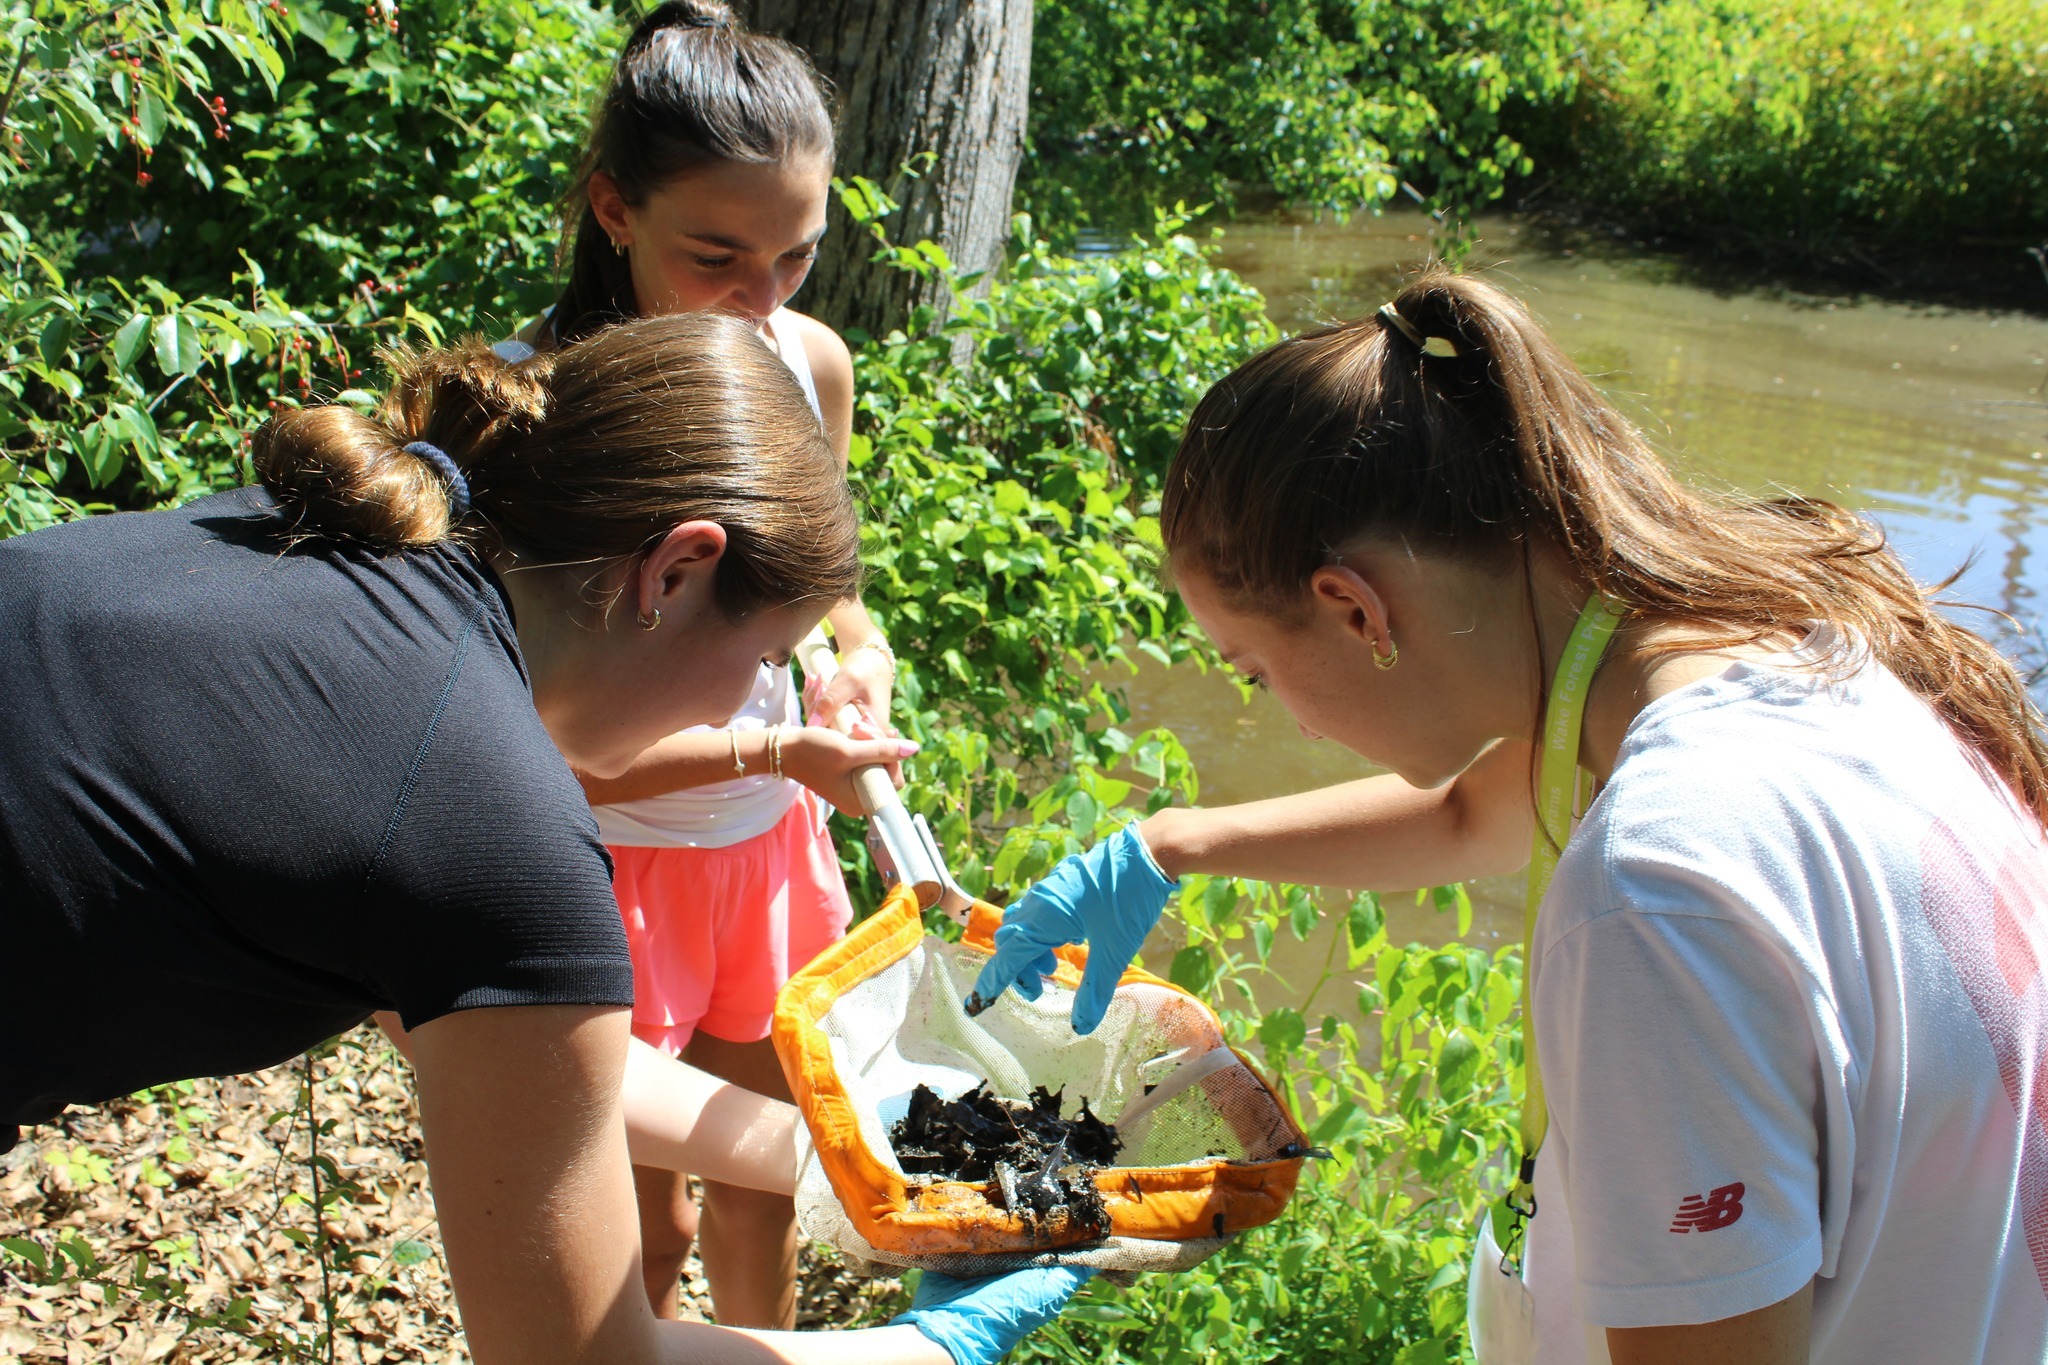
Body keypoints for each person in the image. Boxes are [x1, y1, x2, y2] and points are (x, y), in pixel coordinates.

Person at [969, 269, 2048, 1364]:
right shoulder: (1782, 651)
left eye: (1251, 673)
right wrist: (1168, 843)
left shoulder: (1651, 893)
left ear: (1352, 607)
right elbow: (1465, 812)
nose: (1273, 712)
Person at [0, 312, 1086, 1365]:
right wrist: (933, 1346)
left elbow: (540, 1059)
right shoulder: (483, 813)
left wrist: (837, 1153)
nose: (760, 697)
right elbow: (576, 1358)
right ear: (672, 574)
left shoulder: (320, 540)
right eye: (766, 661)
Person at [492, 3, 890, 1328]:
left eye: (796, 256)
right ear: (614, 208)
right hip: (602, 855)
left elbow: (827, 580)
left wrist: (852, 658)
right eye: (716, 255)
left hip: (766, 847)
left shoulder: (804, 361)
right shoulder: (532, 407)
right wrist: (782, 745)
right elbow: (544, 740)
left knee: (762, 1175)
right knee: (638, 1210)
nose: (762, 301)